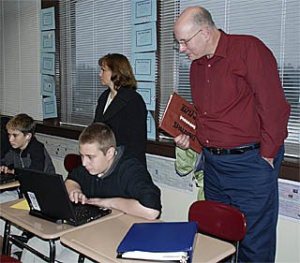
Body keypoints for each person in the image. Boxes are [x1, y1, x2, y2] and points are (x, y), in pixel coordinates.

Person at [174, 6, 290, 262]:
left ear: (205, 32)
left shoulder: (248, 50)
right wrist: (189, 139)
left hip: (250, 165)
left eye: (184, 41)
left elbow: (274, 107)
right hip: (214, 166)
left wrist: (268, 156)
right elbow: (207, 118)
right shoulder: (196, 67)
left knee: (253, 243)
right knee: (217, 239)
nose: (181, 49)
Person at [21, 122, 161, 263]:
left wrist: (107, 202)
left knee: (64, 259)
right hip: (88, 232)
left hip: (116, 239)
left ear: (110, 153)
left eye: (90, 157)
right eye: (82, 156)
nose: (84, 163)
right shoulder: (90, 167)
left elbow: (151, 211)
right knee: (33, 247)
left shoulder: (131, 170)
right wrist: (75, 190)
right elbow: (71, 180)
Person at [94, 53, 147, 167]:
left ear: (115, 72)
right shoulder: (104, 97)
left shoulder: (133, 100)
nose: (100, 74)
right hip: (105, 162)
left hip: (125, 164)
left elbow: (136, 142)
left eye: (103, 70)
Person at [0, 113, 55, 203]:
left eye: (15, 135)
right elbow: (4, 160)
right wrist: (3, 165)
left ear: (28, 136)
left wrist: (12, 171)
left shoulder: (37, 150)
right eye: (9, 135)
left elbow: (32, 174)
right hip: (23, 191)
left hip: (43, 193)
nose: (10, 139)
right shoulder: (15, 148)